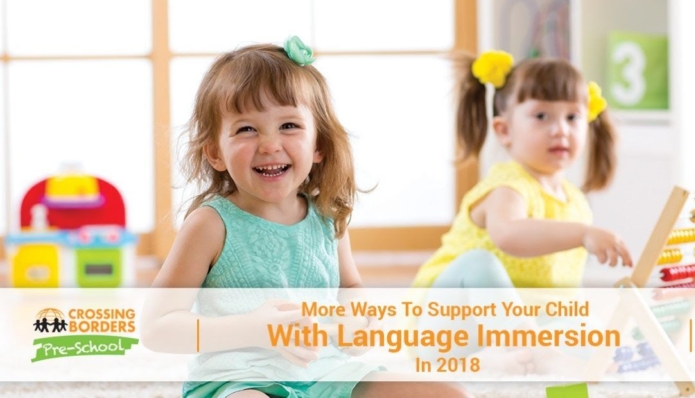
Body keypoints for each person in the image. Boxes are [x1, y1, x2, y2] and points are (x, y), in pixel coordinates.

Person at [142, 37, 472, 398]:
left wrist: (355, 320)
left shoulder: (326, 216)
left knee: (447, 392)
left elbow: (351, 288)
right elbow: (157, 327)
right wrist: (254, 329)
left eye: (289, 126)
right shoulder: (210, 224)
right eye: (246, 129)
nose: (269, 144)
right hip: (240, 380)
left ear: (319, 146)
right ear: (215, 153)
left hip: (329, 372)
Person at [410, 50, 633, 374]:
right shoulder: (508, 185)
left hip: (509, 334)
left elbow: (563, 297)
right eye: (542, 116)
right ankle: (517, 353)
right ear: (504, 130)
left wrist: (590, 341)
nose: (560, 130)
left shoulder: (576, 203)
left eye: (572, 117)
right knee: (478, 263)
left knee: (594, 331)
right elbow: (509, 234)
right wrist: (582, 235)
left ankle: (519, 363)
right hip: (444, 327)